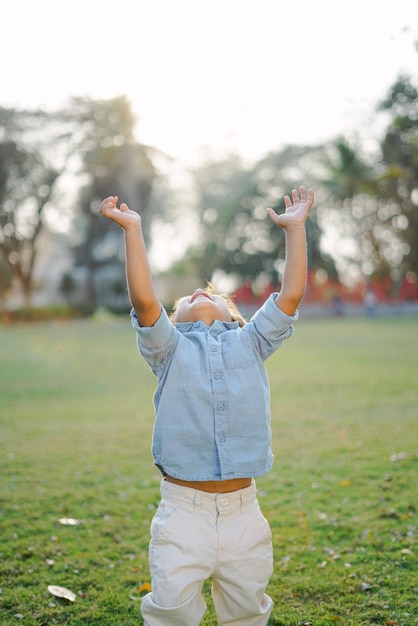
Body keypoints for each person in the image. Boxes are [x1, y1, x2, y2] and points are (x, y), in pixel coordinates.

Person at [100, 185, 314, 626]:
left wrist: (295, 230)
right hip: (183, 513)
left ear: (235, 315)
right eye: (184, 300)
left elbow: (290, 296)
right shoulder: (170, 350)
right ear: (172, 320)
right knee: (172, 614)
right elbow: (144, 301)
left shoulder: (252, 341)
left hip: (244, 515)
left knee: (247, 614)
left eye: (211, 293)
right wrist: (133, 231)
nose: (198, 292)